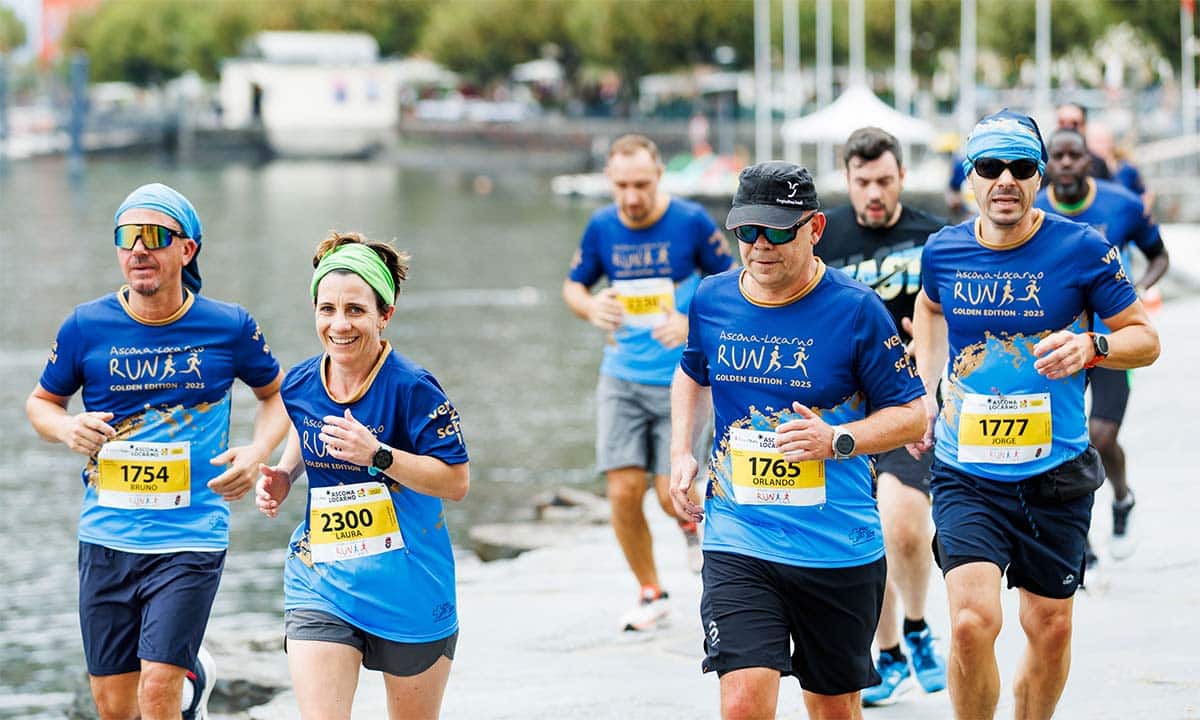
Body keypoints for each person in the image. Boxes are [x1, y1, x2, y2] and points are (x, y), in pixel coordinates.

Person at [910, 109, 1160, 719]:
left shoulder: (1082, 248)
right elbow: (930, 307)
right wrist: (925, 392)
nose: (1005, 180)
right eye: (990, 167)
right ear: (970, 175)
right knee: (970, 622)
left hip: (1055, 472)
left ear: (1039, 176)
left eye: (1021, 167)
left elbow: (1145, 339)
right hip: (967, 471)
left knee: (1049, 629)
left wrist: (1092, 346)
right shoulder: (944, 250)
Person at [669, 161, 928, 719]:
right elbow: (691, 372)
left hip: (836, 547)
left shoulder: (857, 309)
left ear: (814, 229)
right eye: (747, 230)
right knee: (742, 701)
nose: (761, 245)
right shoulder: (712, 298)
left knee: (833, 709)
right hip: (740, 535)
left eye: (778, 230)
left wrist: (836, 440)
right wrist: (681, 452)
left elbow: (912, 415)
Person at [25, 183, 287, 720]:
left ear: (186, 249)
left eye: (154, 236)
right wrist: (67, 428)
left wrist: (258, 450)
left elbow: (277, 394)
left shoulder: (228, 326)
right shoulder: (85, 326)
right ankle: (195, 679)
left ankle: (180, 680)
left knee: (157, 690)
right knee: (113, 706)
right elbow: (41, 403)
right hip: (107, 536)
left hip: (191, 535)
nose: (139, 248)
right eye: (127, 236)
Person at [255, 232, 469, 720]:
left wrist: (379, 455)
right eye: (327, 309)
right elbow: (306, 428)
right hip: (321, 580)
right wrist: (286, 473)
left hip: (410, 584)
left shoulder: (414, 388)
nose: (339, 324)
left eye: (355, 309)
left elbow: (456, 482)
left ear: (384, 314)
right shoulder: (301, 382)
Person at [562, 133, 736, 631]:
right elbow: (573, 286)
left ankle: (693, 531)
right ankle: (650, 591)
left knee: (667, 491)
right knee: (622, 491)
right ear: (609, 181)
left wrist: (691, 324)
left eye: (641, 184)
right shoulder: (602, 227)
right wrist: (590, 306)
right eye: (621, 186)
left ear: (659, 176)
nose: (631, 196)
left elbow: (734, 286)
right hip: (620, 376)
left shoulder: (691, 222)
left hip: (682, 380)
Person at [817, 126, 948, 706]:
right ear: (847, 179)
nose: (874, 192)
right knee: (864, 536)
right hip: (841, 413)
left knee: (904, 525)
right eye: (863, 181)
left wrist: (933, 341)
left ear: (902, 177)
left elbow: (958, 314)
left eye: (885, 181)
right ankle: (889, 652)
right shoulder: (822, 238)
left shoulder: (932, 237)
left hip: (907, 403)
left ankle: (917, 626)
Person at [1035, 128, 1170, 561]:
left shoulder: (1122, 204)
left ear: (1088, 162)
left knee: (1101, 436)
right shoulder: (1033, 210)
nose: (1066, 163)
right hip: (1058, 343)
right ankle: (1081, 541)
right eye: (1058, 156)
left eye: (1075, 156)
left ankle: (1122, 497)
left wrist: (1139, 289)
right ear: (1047, 165)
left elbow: (1159, 254)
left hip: (1111, 339)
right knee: (1061, 440)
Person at [1086, 121, 1156, 214]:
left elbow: (1146, 196)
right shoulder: (1084, 171)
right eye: (1097, 141)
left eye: (1105, 140)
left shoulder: (1126, 169)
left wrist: (1140, 214)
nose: (1102, 145)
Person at [1055, 102, 1111, 180]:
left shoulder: (1098, 164)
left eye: (1074, 124)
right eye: (1062, 123)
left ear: (1084, 126)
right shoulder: (1044, 161)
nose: (1067, 128)